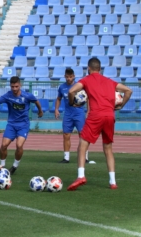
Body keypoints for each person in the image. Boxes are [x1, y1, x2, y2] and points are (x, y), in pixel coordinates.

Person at [67, 57, 132, 191]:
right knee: (108, 149)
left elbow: (71, 91)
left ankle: (81, 176)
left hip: (95, 116)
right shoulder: (109, 81)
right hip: (109, 116)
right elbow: (128, 91)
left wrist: (72, 102)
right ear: (100, 69)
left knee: (82, 145)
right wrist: (120, 106)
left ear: (88, 69)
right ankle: (113, 182)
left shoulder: (86, 80)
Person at [0, 76, 43, 175]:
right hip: (11, 124)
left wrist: (40, 111)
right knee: (4, 145)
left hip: (23, 125)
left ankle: (14, 166)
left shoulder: (27, 96)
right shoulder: (8, 95)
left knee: (19, 145)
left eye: (16, 86)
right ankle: (2, 166)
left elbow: (36, 101)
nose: (14, 89)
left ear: (20, 85)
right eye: (12, 86)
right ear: (10, 86)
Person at [55, 68, 94, 164]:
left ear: (74, 76)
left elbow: (88, 98)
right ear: (65, 76)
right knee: (66, 135)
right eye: (67, 77)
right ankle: (66, 158)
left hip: (79, 113)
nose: (69, 78)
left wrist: (88, 110)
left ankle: (85, 157)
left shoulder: (79, 86)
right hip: (68, 114)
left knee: (82, 135)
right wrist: (56, 109)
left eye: (70, 76)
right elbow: (59, 99)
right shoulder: (61, 87)